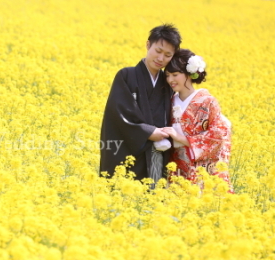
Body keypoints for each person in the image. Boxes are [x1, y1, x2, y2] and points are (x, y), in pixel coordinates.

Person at [99, 24, 181, 187]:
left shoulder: (167, 82)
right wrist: (149, 132)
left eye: (167, 55)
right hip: (128, 150)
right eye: (158, 51)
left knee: (153, 196)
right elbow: (119, 113)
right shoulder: (126, 75)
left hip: (157, 151)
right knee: (125, 194)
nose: (161, 59)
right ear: (148, 45)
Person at [161, 49, 233, 191]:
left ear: (189, 74)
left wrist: (180, 138)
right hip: (175, 167)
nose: (170, 80)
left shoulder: (207, 101)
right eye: (168, 75)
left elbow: (218, 135)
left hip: (200, 169)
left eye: (175, 75)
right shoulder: (168, 101)